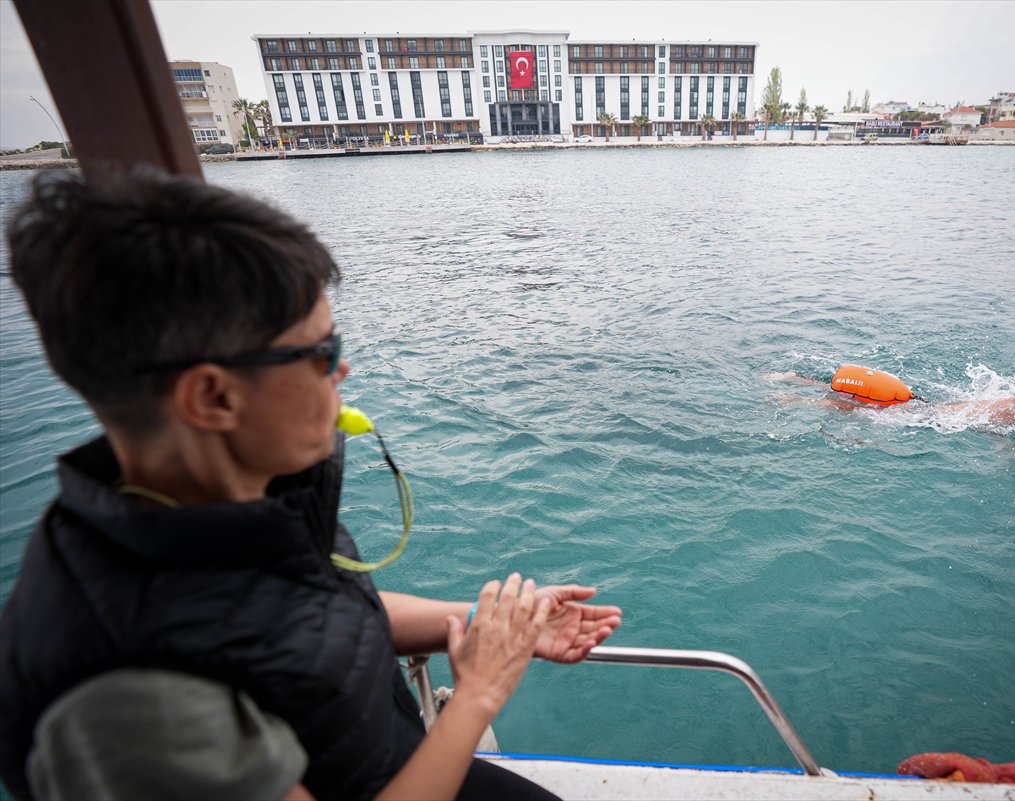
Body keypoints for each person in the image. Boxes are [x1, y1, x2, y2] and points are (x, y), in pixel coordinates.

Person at [0, 168, 622, 801]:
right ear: (213, 396)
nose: (343, 369)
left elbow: (321, 618)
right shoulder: (129, 702)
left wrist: (487, 626)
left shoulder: (228, 493)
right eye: (321, 353)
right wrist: (481, 691)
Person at [765, 365, 1015, 424]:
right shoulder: (1008, 409)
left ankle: (795, 381)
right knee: (855, 408)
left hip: (920, 406)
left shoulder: (1004, 419)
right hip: (923, 414)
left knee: (852, 402)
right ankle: (796, 393)